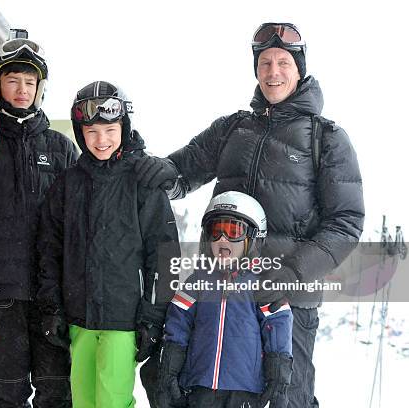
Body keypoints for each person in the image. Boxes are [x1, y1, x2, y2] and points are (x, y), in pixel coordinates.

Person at [135, 22, 364, 408]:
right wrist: (144, 165)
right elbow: (180, 172)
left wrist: (291, 273)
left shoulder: (327, 139)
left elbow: (346, 222)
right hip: (219, 297)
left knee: (286, 399)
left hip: (284, 302)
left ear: (299, 68)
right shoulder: (232, 129)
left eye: (283, 62)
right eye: (265, 63)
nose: (273, 72)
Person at [37, 81, 181, 408]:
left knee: (112, 401)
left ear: (124, 128)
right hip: (78, 317)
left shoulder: (143, 181)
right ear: (79, 132)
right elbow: (50, 250)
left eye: (109, 129)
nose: (101, 140)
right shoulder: (68, 184)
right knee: (84, 401)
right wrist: (53, 308)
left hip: (123, 320)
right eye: (91, 131)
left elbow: (165, 255)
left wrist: (152, 319)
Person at [0, 37, 77, 407]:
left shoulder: (61, 147)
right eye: (13, 80)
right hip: (1, 293)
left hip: (52, 296)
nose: (22, 89)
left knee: (56, 392)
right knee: (7, 392)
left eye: (30, 82)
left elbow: (79, 221)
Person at [158, 191, 293, 408]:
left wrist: (278, 379)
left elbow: (278, 327)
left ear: (253, 239)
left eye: (233, 231)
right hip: (199, 385)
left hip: (244, 390)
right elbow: (178, 322)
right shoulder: (198, 281)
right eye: (216, 231)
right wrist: (169, 371)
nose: (222, 239)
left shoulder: (263, 283)